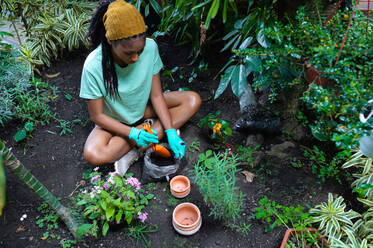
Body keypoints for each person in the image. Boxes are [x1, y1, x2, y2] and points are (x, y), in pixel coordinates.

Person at [80, 0, 201, 175]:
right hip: (115, 120)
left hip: (144, 109)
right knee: (93, 155)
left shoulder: (151, 48)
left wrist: (170, 131)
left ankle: (143, 139)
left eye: (140, 51)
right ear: (110, 41)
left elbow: (157, 96)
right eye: (129, 53)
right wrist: (133, 134)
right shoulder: (93, 66)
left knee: (192, 100)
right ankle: (145, 138)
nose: (136, 58)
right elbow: (97, 116)